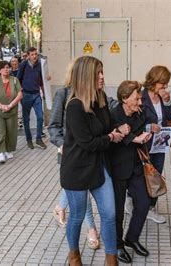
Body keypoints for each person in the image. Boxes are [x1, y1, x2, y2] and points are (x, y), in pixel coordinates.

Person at [60, 55, 127, 265]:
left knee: (109, 214)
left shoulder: (101, 98)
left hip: (99, 167)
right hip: (77, 170)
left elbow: (107, 126)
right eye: (98, 73)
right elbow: (87, 142)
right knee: (77, 216)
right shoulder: (74, 106)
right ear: (86, 76)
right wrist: (110, 137)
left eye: (102, 72)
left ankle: (111, 258)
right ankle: (74, 254)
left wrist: (118, 129)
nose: (102, 77)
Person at [48, 59, 100, 250]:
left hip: (89, 153)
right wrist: (61, 144)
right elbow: (53, 125)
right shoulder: (62, 94)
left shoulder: (94, 94)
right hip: (70, 153)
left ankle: (60, 207)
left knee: (79, 190)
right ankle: (92, 229)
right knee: (82, 192)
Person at [109, 80, 152, 263]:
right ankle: (118, 245)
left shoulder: (139, 113)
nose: (140, 102)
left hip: (135, 167)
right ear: (125, 98)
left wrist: (139, 137)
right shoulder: (113, 114)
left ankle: (131, 238)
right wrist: (131, 137)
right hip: (117, 169)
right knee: (117, 212)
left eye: (141, 98)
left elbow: (142, 132)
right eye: (137, 98)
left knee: (143, 203)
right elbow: (109, 135)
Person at [127, 65, 171, 224]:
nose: (165, 86)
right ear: (154, 81)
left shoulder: (163, 97)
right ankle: (132, 200)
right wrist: (149, 127)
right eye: (163, 83)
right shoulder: (141, 96)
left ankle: (150, 208)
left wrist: (168, 102)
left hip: (161, 144)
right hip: (145, 144)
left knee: (156, 174)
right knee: (141, 174)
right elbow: (134, 121)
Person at [0, 61, 23, 163]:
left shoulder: (15, 80)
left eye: (8, 67)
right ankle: (1, 152)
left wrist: (10, 105)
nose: (6, 69)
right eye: (3, 68)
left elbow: (19, 94)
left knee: (11, 131)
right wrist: (0, 105)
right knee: (1, 132)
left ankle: (8, 150)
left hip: (11, 110)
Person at [17, 47, 47, 149]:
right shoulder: (23, 65)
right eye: (32, 54)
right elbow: (18, 79)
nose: (35, 56)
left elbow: (42, 80)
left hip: (36, 95)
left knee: (40, 117)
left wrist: (44, 93)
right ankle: (29, 139)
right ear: (28, 56)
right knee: (26, 119)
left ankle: (38, 139)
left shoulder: (40, 65)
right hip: (26, 95)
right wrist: (20, 92)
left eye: (36, 54)